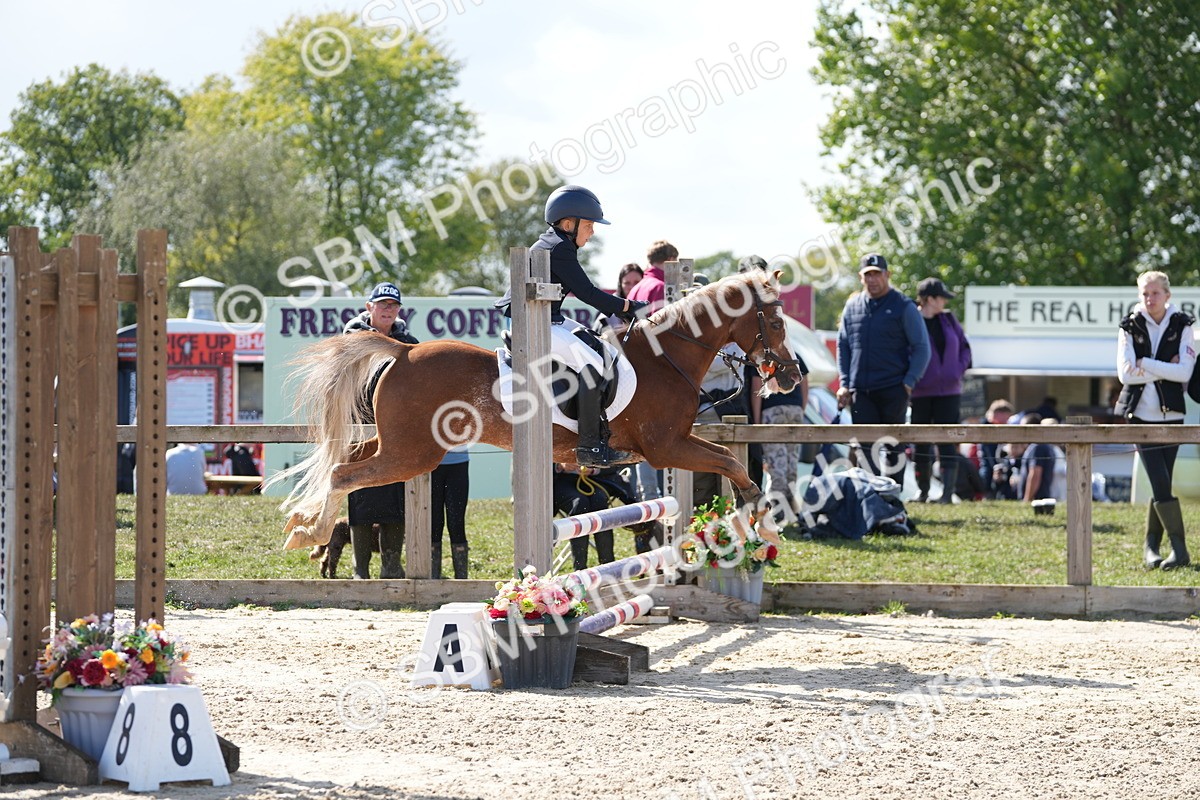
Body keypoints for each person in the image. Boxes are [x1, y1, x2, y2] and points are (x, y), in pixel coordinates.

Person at [495, 185, 648, 467]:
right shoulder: (560, 248)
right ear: (569, 224)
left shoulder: (554, 243)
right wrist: (628, 307)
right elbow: (589, 293)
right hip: (534, 323)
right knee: (592, 363)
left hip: (544, 317)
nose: (592, 232)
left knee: (593, 342)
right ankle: (590, 446)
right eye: (588, 225)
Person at [1116, 270, 1195, 569]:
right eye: (1145, 294)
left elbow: (1184, 373)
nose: (1150, 299)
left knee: (1161, 483)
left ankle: (1151, 546)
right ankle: (1178, 549)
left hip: (1173, 414)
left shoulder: (1183, 324)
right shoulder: (1128, 325)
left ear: (1167, 295)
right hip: (1138, 415)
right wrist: (1166, 367)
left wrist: (1145, 364)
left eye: (1155, 293)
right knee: (1159, 481)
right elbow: (1125, 374)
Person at [342, 281, 419, 579]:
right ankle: (360, 568)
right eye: (383, 304)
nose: (388, 309)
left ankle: (391, 565)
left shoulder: (409, 340)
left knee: (395, 494)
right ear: (369, 307)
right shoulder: (352, 337)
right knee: (360, 493)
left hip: (396, 426)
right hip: (360, 423)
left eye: (393, 305)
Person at [836, 253, 931, 477]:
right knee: (864, 448)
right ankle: (870, 502)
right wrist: (845, 383)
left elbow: (922, 347)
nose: (872, 279)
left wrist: (909, 382)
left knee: (893, 447)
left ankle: (892, 500)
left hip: (893, 388)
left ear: (887, 275)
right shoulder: (852, 306)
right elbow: (843, 346)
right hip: (861, 391)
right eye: (867, 275)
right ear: (861, 278)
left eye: (877, 274)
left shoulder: (903, 306)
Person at [910, 277, 972, 502]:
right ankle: (923, 491)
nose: (945, 301)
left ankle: (947, 493)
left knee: (947, 439)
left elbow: (965, 349)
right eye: (941, 297)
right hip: (921, 392)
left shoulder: (949, 320)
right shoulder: (912, 320)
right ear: (928, 299)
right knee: (921, 440)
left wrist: (957, 370)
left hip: (950, 391)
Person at [553, 463, 632, 571]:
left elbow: (613, 463)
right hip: (562, 481)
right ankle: (580, 569)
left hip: (596, 480)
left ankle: (608, 566)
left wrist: (594, 470)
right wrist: (559, 466)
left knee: (599, 504)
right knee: (579, 504)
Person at [430, 446, 471, 579]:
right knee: (434, 524)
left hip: (459, 462)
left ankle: (462, 580)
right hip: (430, 463)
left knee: (457, 523)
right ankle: (433, 577)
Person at [593, 262, 645, 337]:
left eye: (637, 282)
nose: (632, 287)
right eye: (627, 283)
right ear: (620, 285)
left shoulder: (649, 307)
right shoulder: (607, 316)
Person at [626, 240, 679, 313]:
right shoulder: (661, 287)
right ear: (670, 259)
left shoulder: (634, 290)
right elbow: (660, 323)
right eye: (676, 261)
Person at [978, 399, 1015, 497]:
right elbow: (992, 460)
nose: (1008, 422)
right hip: (990, 476)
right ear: (999, 415)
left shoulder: (989, 428)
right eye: (1006, 418)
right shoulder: (988, 431)